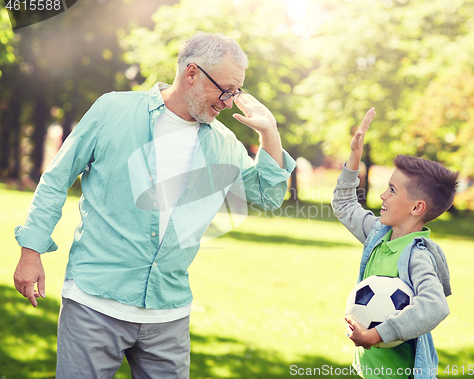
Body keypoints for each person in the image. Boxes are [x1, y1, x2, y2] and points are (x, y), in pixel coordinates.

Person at [13, 32, 296, 378]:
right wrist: (31, 251)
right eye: (225, 89)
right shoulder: (112, 110)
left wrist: (270, 133)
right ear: (191, 73)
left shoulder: (225, 143)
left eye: (235, 92)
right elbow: (57, 179)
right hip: (95, 302)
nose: (228, 101)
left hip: (168, 314)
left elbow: (268, 195)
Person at [332, 108, 458, 379]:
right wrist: (354, 159)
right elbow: (344, 205)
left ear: (416, 207)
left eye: (392, 190)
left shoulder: (417, 256)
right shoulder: (378, 234)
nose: (382, 195)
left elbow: (435, 305)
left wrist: (376, 334)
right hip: (369, 372)